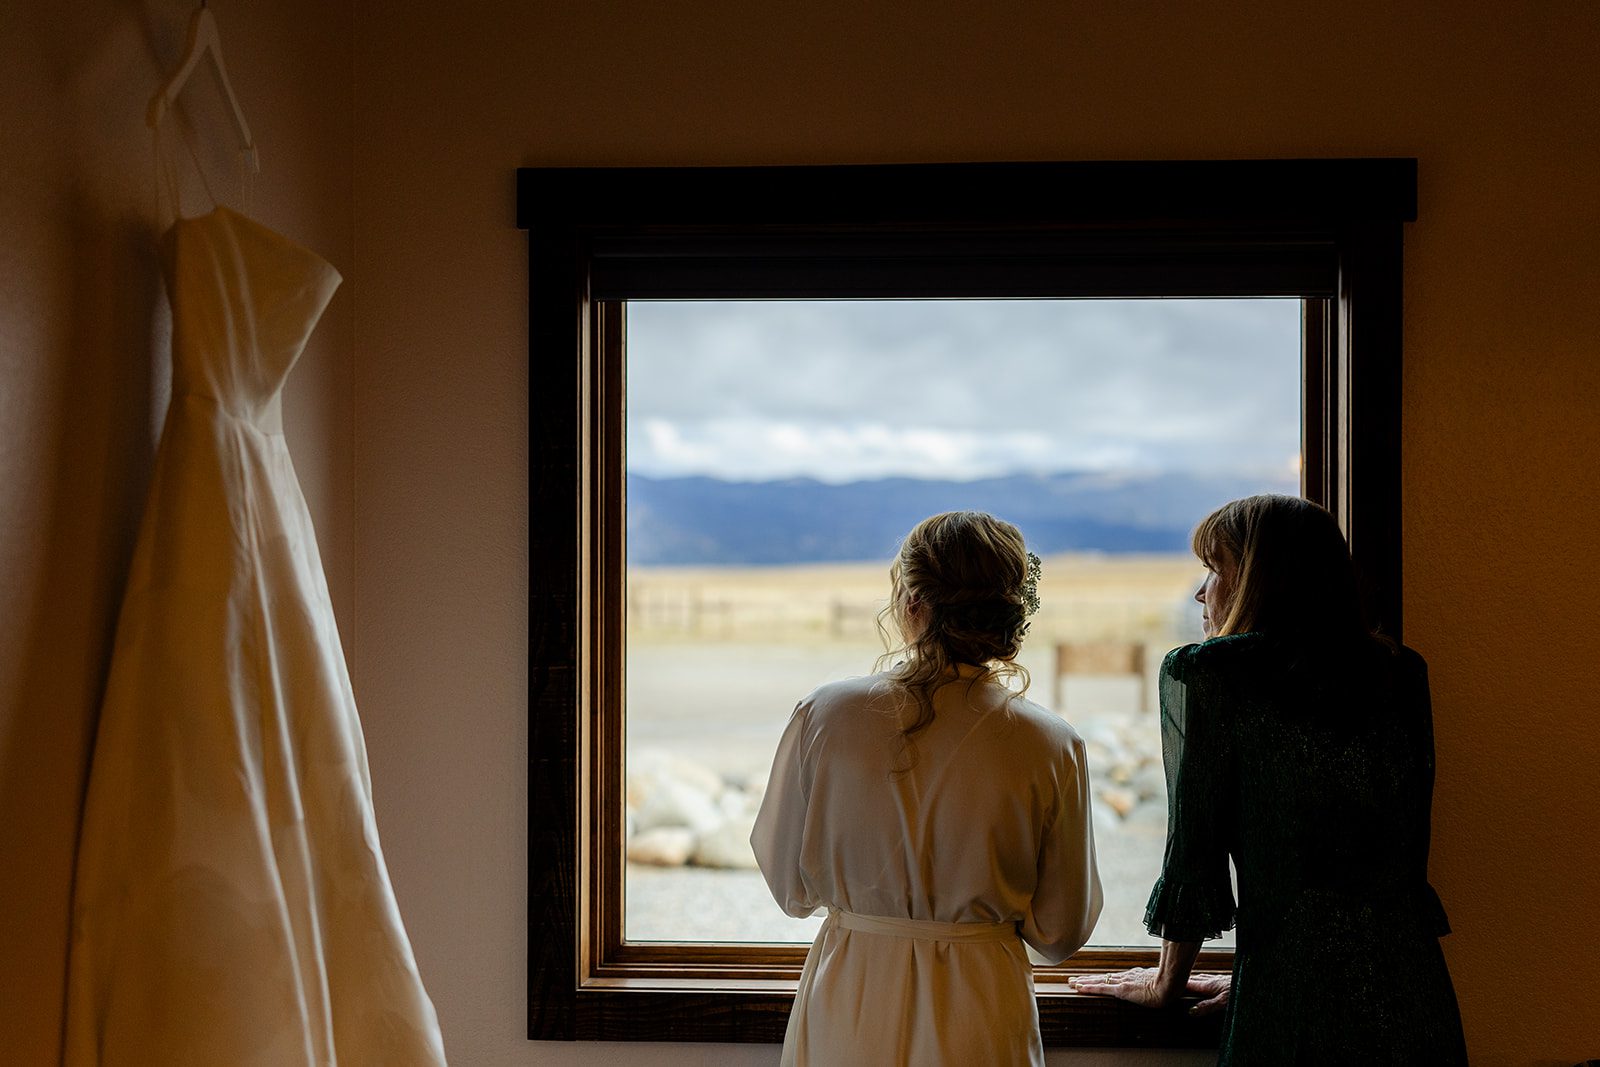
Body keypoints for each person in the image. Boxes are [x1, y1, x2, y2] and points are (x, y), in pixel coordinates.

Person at [1070, 494, 1467, 1064]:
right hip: (1411, 990)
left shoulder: (1209, 673)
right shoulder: (1401, 672)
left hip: (1290, 1001)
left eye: (1215, 568)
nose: (1200, 592)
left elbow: (1194, 858)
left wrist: (1165, 984)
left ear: (1259, 579)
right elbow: (1397, 852)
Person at [751, 511, 1103, 1066]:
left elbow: (789, 888)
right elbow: (1060, 931)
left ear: (912, 602)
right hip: (982, 1003)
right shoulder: (1053, 744)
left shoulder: (825, 715)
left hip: (852, 992)